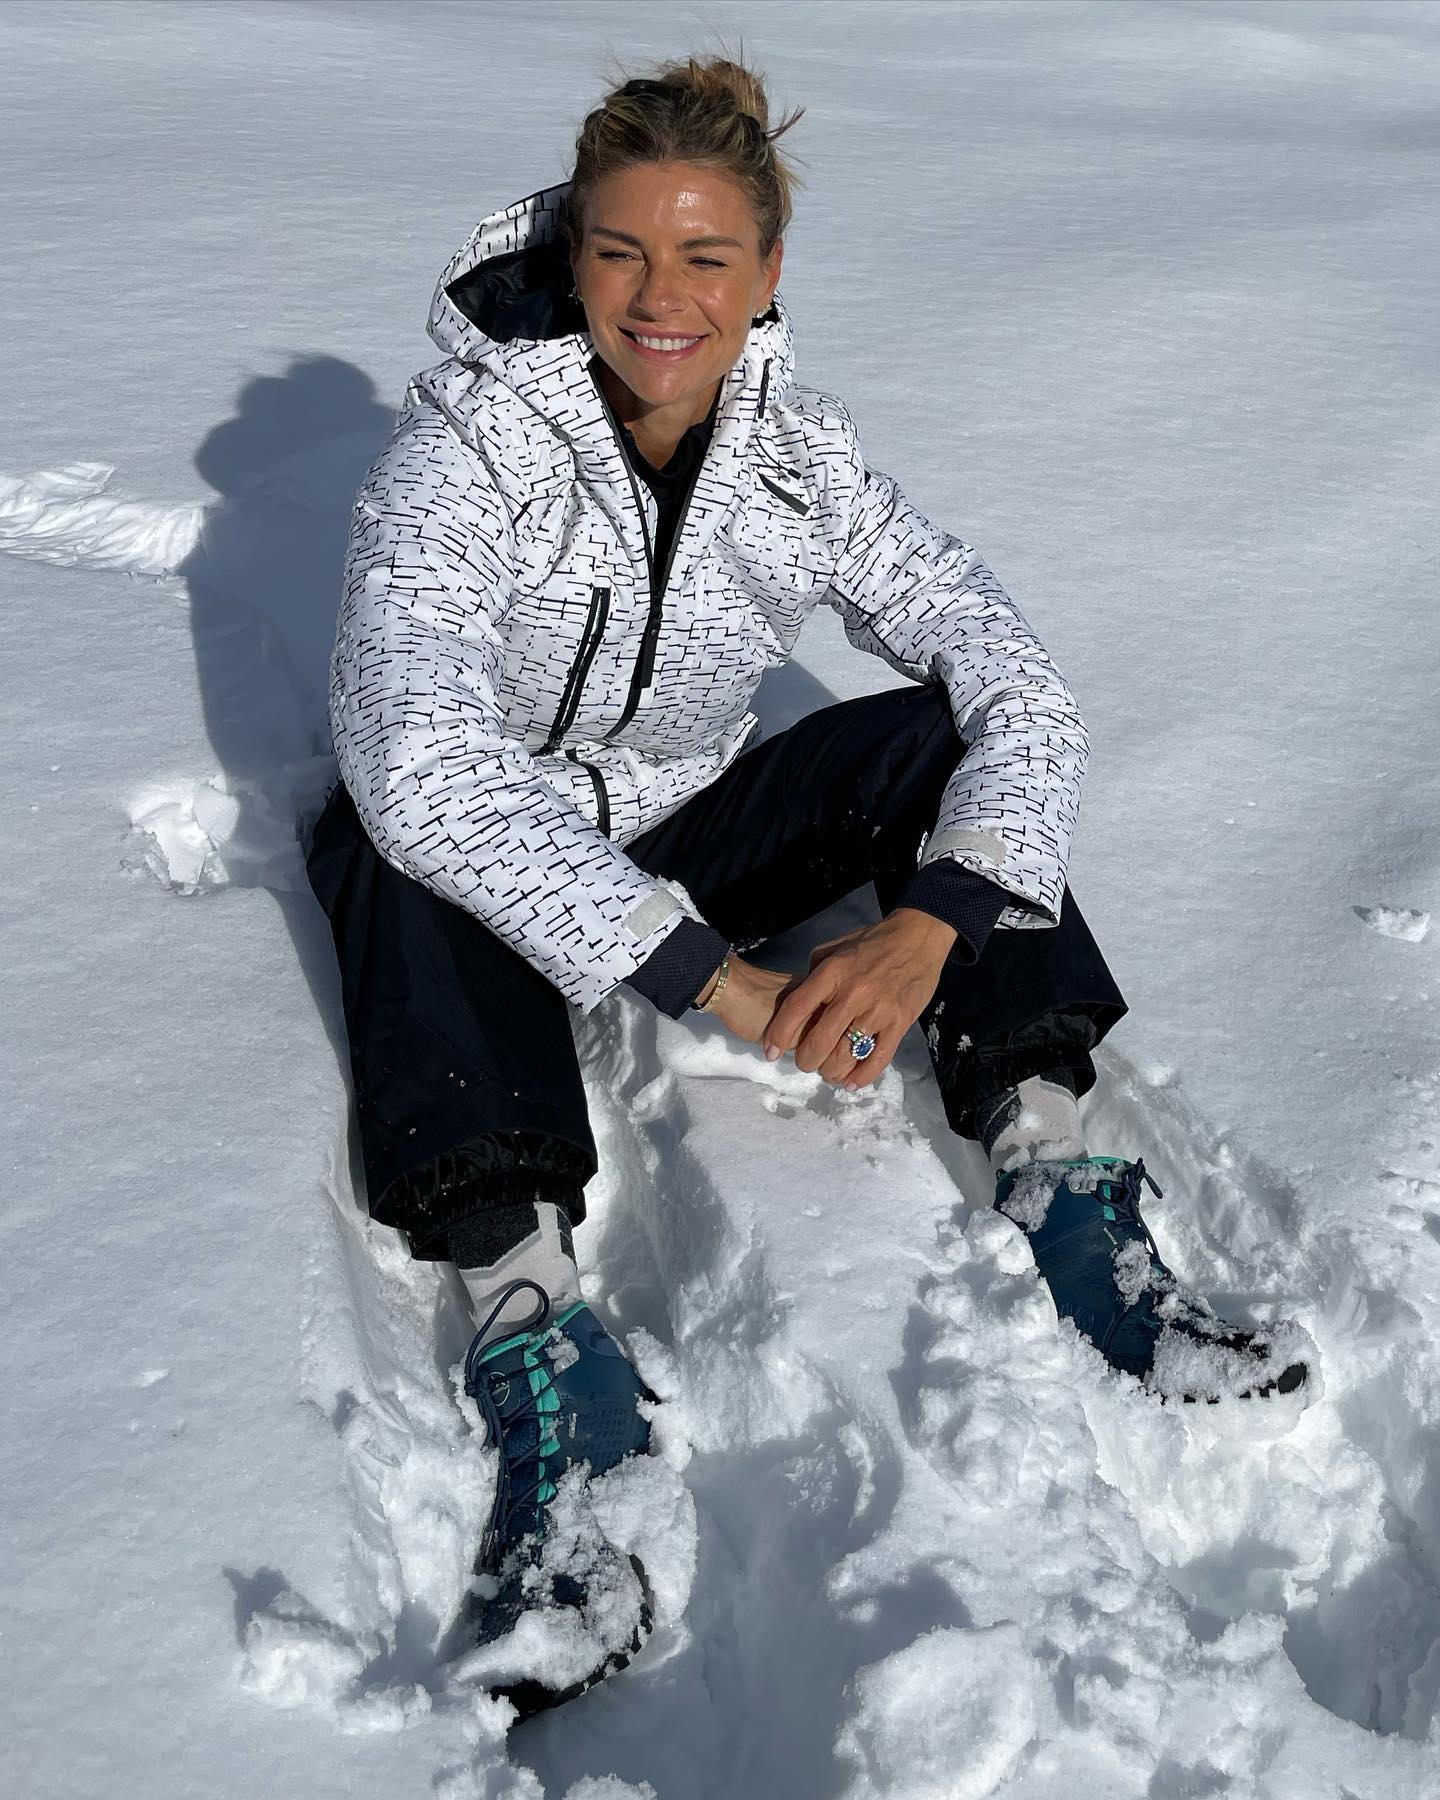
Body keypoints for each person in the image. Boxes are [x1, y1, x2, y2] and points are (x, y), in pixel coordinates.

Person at [306, 55, 1311, 1714]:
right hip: (495, 865)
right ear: (573, 256)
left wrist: (934, 917)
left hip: (696, 820)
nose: (661, 298)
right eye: (622, 251)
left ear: (770, 273)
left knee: (928, 744)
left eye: (709, 257)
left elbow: (1014, 683)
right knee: (384, 830)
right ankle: (537, 1332)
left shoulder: (802, 458)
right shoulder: (464, 456)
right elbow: (421, 762)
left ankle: (1059, 1176)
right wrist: (719, 978)